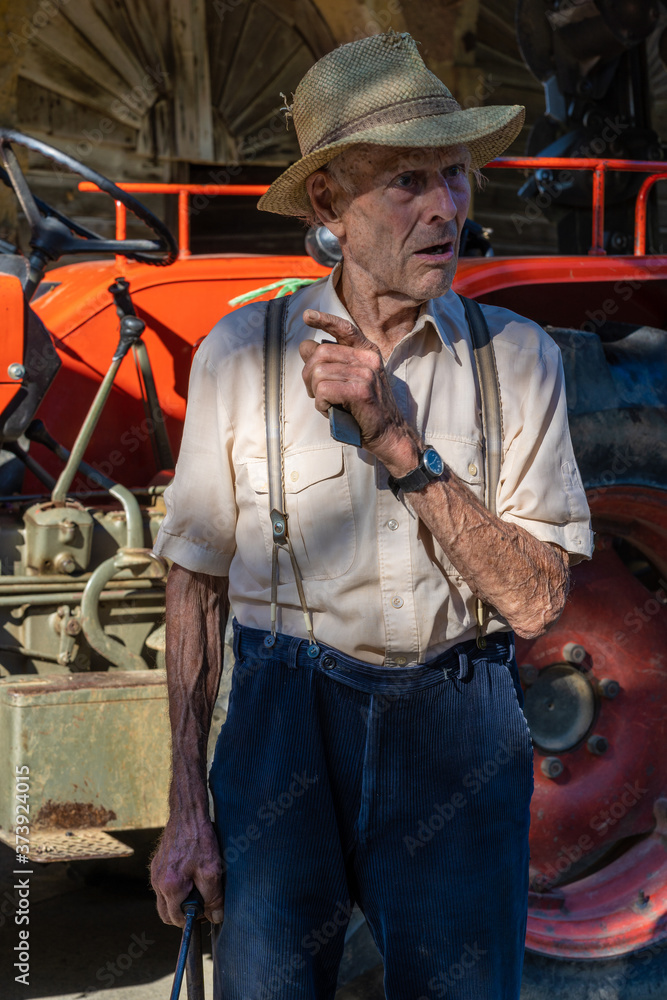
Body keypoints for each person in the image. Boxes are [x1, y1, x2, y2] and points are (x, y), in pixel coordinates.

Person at [150, 30, 593, 1000]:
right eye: (406, 183)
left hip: (455, 727)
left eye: (455, 176)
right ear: (325, 205)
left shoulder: (518, 362)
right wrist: (186, 805)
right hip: (282, 731)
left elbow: (534, 605)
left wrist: (401, 445)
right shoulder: (239, 355)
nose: (446, 209)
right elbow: (196, 582)